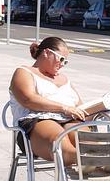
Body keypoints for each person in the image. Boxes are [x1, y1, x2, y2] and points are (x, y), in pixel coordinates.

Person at [8, 37, 87, 165]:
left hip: (68, 120)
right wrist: (64, 108)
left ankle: (100, 156)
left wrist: (106, 108)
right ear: (47, 52)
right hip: (36, 122)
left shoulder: (64, 79)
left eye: (65, 62)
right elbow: (28, 99)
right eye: (61, 59)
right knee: (60, 141)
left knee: (84, 137)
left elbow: (81, 108)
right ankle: (86, 160)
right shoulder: (24, 72)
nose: (62, 64)